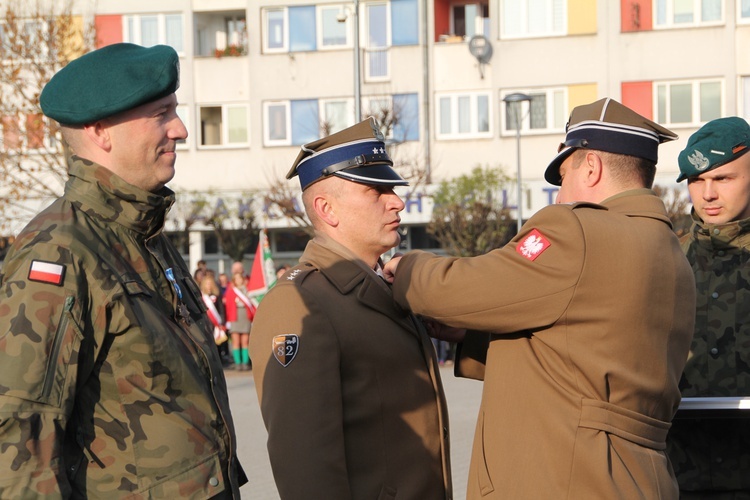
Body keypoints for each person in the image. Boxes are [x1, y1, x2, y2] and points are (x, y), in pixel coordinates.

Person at [384, 98, 696, 498]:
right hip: (639, 478)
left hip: (570, 479)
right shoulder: (671, 253)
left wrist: (409, 268)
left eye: (563, 177)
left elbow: (468, 287)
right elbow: (589, 350)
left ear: (592, 167)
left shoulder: (578, 231)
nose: (559, 195)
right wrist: (474, 337)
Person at [0, 43, 246, 497]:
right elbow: (20, 442)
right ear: (100, 131)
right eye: (161, 113)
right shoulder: (59, 253)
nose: (181, 129)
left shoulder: (144, 236)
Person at [249, 117, 452, 499]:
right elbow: (305, 465)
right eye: (376, 191)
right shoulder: (299, 302)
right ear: (327, 209)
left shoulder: (384, 285)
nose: (397, 201)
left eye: (391, 188)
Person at [666, 116, 750, 498]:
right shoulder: (666, 259)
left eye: (723, 178)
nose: (708, 194)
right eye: (696, 181)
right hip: (682, 474)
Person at [223, 272, 254, 371]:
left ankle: (245, 363)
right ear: (234, 280)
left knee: (245, 341)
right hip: (234, 316)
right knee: (236, 341)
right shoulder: (231, 291)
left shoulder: (248, 289)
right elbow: (227, 305)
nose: (239, 280)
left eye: (240, 278)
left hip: (245, 316)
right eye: (236, 278)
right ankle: (238, 363)